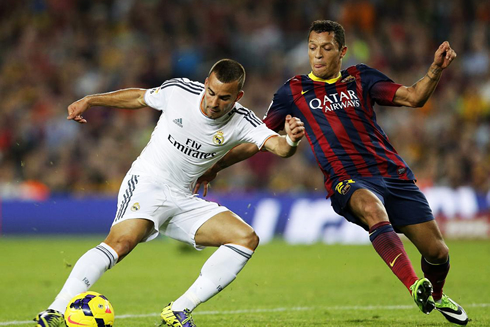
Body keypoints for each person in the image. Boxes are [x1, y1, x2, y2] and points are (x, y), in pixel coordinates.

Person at [194, 20, 468, 325]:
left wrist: (435, 70)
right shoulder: (293, 91)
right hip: (346, 178)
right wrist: (216, 166)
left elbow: (414, 97)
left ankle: (436, 295)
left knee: (438, 252)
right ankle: (414, 284)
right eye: (312, 48)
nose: (318, 55)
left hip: (392, 173)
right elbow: (258, 139)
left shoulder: (361, 77)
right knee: (371, 208)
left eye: (326, 48)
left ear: (342, 51)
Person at [34, 58, 305, 327]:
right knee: (121, 243)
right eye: (211, 92)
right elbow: (139, 97)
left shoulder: (243, 120)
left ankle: (178, 310)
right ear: (206, 83)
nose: (213, 102)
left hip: (184, 199)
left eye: (224, 98)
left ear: (238, 96)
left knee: (245, 238)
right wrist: (91, 100)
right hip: (148, 182)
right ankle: (55, 311)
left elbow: (279, 148)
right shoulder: (180, 92)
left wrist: (291, 139)